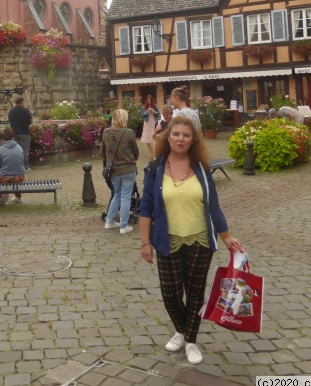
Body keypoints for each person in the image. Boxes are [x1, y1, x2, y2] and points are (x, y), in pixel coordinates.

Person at [139, 115, 243, 365]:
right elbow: (145, 208)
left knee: (195, 293)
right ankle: (182, 328)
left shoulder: (202, 169)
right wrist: (145, 242)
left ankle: (190, 340)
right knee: (171, 294)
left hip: (200, 240)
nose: (180, 139)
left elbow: (213, 206)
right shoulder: (155, 169)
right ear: (168, 137)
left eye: (186, 135)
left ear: (193, 140)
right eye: (176, 134)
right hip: (166, 240)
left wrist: (226, 236)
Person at [101, 108, 140, 234]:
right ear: (124, 119)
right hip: (127, 169)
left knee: (116, 195)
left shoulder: (106, 132)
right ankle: (123, 226)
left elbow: (103, 151)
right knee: (125, 197)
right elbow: (136, 153)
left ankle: (109, 221)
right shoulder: (128, 133)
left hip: (112, 170)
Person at [0, 127, 26, 203]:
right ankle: (18, 197)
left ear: (4, 138)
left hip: (6, 176)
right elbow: (22, 162)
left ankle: (0, 195)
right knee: (15, 177)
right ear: (13, 137)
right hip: (20, 176)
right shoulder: (19, 148)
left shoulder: (0, 150)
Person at [8, 96, 33, 171]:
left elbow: (10, 121)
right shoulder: (25, 110)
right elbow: (31, 120)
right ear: (22, 102)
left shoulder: (11, 111)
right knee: (25, 150)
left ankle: (17, 166)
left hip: (15, 133)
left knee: (16, 150)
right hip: (24, 132)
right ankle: (25, 167)